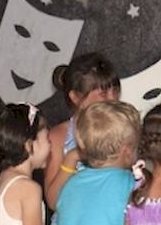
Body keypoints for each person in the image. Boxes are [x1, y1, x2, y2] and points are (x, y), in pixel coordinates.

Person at [43, 52, 121, 210]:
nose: (112, 99)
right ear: (75, 97)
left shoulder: (123, 130)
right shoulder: (59, 137)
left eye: (115, 91)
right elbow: (52, 201)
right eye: (103, 94)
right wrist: (72, 158)